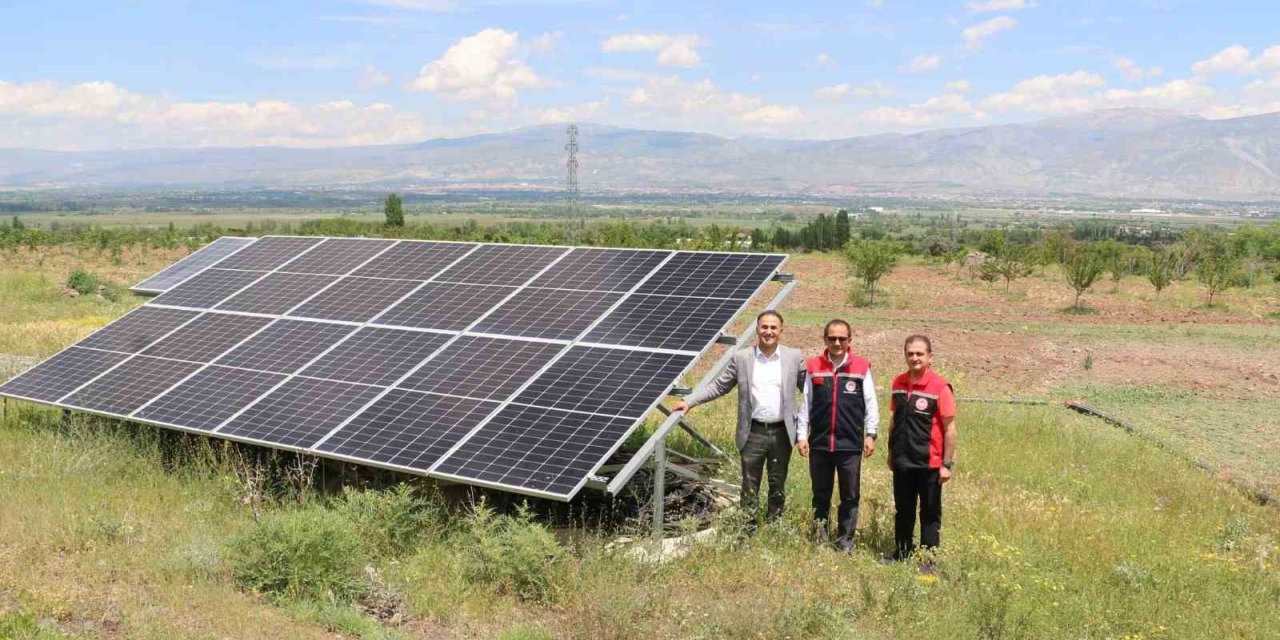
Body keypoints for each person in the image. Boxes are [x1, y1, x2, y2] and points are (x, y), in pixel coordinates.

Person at [673, 310, 805, 534]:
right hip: (752, 432)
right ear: (757, 329)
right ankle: (747, 529)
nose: (768, 331)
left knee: (777, 482)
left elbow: (809, 391)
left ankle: (774, 527)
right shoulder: (742, 358)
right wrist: (689, 401)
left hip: (782, 432)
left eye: (773, 327)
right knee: (749, 484)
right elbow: (719, 386)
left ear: (781, 330)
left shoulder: (793, 357)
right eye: (764, 327)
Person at [796, 319, 878, 552]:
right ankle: (820, 538)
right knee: (820, 494)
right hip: (820, 444)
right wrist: (802, 435)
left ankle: (845, 541)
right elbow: (806, 403)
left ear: (849, 340)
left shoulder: (861, 367)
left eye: (842, 338)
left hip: (850, 444)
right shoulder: (814, 367)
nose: (837, 342)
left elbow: (871, 404)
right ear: (825, 340)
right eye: (832, 338)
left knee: (849, 495)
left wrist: (871, 434)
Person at [887, 334, 957, 569]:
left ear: (929, 356)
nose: (914, 358)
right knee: (903, 510)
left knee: (929, 514)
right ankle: (902, 552)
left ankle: (928, 562)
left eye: (919, 354)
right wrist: (891, 452)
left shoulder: (940, 387)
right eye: (910, 353)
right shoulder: (898, 383)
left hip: (929, 464)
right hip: (902, 461)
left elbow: (950, 429)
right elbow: (894, 420)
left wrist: (946, 464)